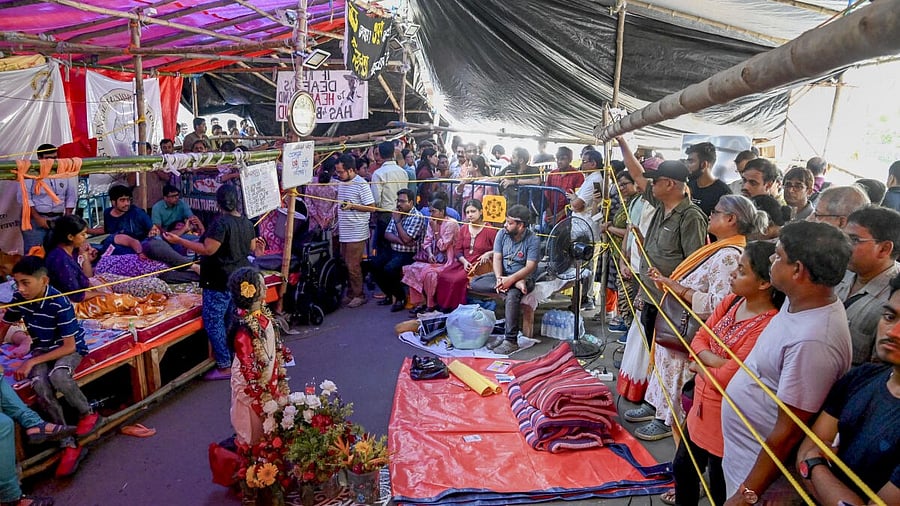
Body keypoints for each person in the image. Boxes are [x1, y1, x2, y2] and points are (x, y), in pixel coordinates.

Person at [721, 221, 853, 505]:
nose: (771, 259)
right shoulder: (800, 302)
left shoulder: (814, 341)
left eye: (778, 255)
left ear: (797, 270)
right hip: (747, 460)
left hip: (765, 483)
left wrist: (746, 495)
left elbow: (788, 433)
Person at [628, 195, 765, 441]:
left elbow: (720, 303)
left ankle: (670, 422)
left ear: (730, 219)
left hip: (691, 334)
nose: (709, 215)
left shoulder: (728, 255)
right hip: (682, 329)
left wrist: (680, 290)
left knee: (679, 388)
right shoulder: (720, 248)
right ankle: (664, 416)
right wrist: (671, 284)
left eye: (715, 211)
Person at [667, 241, 783, 506]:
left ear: (765, 283)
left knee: (720, 489)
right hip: (699, 410)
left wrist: (700, 364)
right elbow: (697, 339)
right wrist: (714, 361)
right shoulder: (732, 302)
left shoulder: (769, 324)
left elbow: (730, 378)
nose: (732, 274)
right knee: (684, 469)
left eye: (741, 271)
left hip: (728, 420)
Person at [795, 274, 900, 506]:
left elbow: (809, 455)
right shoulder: (861, 377)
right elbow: (807, 448)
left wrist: (814, 465)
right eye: (890, 317)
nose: (892, 332)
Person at [0, 256, 102, 478]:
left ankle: (88, 413)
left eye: (26, 282)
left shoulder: (59, 302)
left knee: (59, 377)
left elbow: (69, 346)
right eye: (17, 283)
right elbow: (6, 323)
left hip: (69, 349)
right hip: (41, 349)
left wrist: (32, 361)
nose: (21, 289)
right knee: (39, 386)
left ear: (44, 280)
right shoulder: (19, 298)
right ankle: (67, 442)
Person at [163, 185, 264, 381]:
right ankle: (234, 358)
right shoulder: (245, 223)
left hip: (219, 279)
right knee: (229, 319)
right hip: (237, 279)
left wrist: (179, 240)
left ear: (218, 204)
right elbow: (252, 249)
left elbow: (208, 249)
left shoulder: (221, 223)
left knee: (214, 322)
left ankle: (225, 365)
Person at [227, 267, 292, 446]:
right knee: (253, 430)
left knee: (269, 426)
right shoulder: (243, 330)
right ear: (252, 292)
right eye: (262, 285)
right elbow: (249, 369)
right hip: (252, 385)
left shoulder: (263, 316)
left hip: (268, 376)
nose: (266, 288)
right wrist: (262, 394)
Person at [471, 204, 540, 355]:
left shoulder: (533, 240)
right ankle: (512, 284)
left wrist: (512, 279)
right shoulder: (502, 234)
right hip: (504, 275)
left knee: (513, 296)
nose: (505, 225)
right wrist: (499, 279)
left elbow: (530, 267)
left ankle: (511, 340)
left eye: (509, 223)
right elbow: (497, 257)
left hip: (524, 277)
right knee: (474, 283)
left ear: (520, 225)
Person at [835, 206, 900, 366]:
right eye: (844, 238)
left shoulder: (894, 297)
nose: (844, 246)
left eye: (854, 240)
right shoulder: (839, 272)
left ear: (884, 249)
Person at [436, 200, 499, 312]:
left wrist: (488, 253)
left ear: (481, 212)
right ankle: (443, 307)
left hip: (480, 265)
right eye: (467, 212)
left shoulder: (490, 230)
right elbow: (458, 249)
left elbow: (499, 250)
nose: (470, 214)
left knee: (457, 280)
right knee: (443, 275)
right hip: (464, 262)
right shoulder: (464, 228)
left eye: (473, 211)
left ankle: (454, 308)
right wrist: (464, 261)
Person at [371, 189, 427, 312]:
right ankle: (389, 294)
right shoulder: (398, 213)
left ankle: (401, 298)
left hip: (409, 254)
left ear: (411, 202)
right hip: (395, 249)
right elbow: (387, 234)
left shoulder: (417, 217)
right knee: (373, 263)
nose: (399, 204)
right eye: (398, 201)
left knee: (390, 269)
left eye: (402, 201)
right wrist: (403, 240)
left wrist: (397, 222)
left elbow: (407, 239)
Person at [401, 199, 460, 314]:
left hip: (449, 260)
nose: (431, 214)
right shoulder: (432, 221)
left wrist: (436, 231)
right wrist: (430, 254)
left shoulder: (451, 224)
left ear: (442, 212)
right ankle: (420, 302)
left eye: (434, 211)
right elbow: (426, 241)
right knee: (412, 268)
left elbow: (443, 246)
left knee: (430, 275)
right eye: (430, 211)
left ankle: (430, 304)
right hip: (434, 259)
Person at [17, 144, 77, 255]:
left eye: (55, 158)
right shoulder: (30, 170)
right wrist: (38, 218)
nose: (52, 161)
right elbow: (25, 198)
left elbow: (71, 196)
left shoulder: (64, 169)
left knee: (58, 254)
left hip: (59, 219)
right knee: (35, 254)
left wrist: (66, 218)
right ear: (39, 158)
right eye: (48, 158)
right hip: (34, 219)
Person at [601, 170, 641, 332]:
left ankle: (629, 326)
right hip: (620, 254)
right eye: (619, 185)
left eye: (625, 184)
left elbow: (631, 232)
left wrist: (610, 228)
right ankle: (624, 320)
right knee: (621, 291)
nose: (621, 188)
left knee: (629, 295)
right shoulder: (627, 202)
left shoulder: (638, 203)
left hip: (631, 257)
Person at [334, 156, 375, 308]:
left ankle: (359, 294)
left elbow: (372, 207)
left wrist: (352, 206)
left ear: (350, 170)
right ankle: (351, 293)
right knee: (346, 263)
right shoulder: (341, 183)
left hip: (357, 231)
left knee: (353, 265)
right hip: (344, 230)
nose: (338, 174)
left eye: (341, 172)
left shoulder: (361, 184)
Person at [43, 215, 102, 302]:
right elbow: (76, 296)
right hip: (67, 303)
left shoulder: (73, 251)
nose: (86, 237)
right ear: (70, 237)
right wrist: (102, 295)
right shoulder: (61, 259)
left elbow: (87, 278)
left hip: (81, 294)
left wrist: (84, 255)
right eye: (82, 234)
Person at [370, 141, 409, 258]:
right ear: (393, 153)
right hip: (401, 214)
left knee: (382, 250)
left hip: (385, 215)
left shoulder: (378, 174)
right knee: (396, 249)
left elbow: (375, 200)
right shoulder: (403, 172)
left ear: (380, 154)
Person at [685, 142, 731, 216]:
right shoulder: (688, 185)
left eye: (691, 161)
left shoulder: (723, 193)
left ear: (704, 165)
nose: (687, 166)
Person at [544, 146, 584, 226]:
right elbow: (546, 195)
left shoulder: (578, 175)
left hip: (568, 217)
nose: (559, 161)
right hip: (550, 215)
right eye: (557, 159)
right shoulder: (552, 174)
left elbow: (578, 199)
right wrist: (549, 213)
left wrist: (559, 216)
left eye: (562, 159)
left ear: (570, 160)